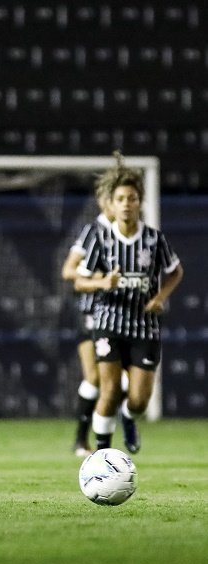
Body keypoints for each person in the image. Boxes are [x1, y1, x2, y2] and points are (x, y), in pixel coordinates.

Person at [74, 153, 183, 454]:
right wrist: (101, 283)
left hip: (145, 326)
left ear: (140, 202)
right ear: (112, 202)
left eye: (131, 198)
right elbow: (79, 280)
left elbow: (176, 271)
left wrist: (160, 297)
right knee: (107, 389)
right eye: (120, 198)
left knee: (138, 400)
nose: (125, 203)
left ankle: (128, 417)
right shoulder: (101, 239)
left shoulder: (154, 239)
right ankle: (103, 455)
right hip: (108, 323)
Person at [61, 172, 123, 457]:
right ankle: (81, 440)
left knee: (122, 381)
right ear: (103, 202)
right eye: (115, 199)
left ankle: (119, 427)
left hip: (123, 315)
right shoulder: (93, 232)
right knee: (95, 378)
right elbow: (68, 271)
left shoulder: (132, 234)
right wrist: (98, 278)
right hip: (91, 312)